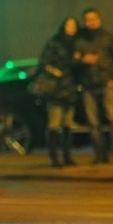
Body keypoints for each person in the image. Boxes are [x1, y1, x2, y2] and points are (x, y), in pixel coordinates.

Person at [76, 7, 113, 164]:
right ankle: (100, 155)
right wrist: (82, 61)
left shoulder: (108, 37)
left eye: (93, 19)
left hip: (106, 83)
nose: (91, 22)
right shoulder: (80, 40)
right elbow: (74, 60)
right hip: (88, 85)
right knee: (93, 123)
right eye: (88, 20)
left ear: (99, 19)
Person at [35, 16, 81, 167]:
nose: (71, 28)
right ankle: (54, 158)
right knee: (54, 123)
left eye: (74, 26)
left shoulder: (77, 44)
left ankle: (67, 157)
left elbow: (77, 66)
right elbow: (43, 62)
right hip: (56, 89)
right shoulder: (54, 43)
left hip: (70, 88)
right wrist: (54, 71)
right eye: (69, 25)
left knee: (68, 124)